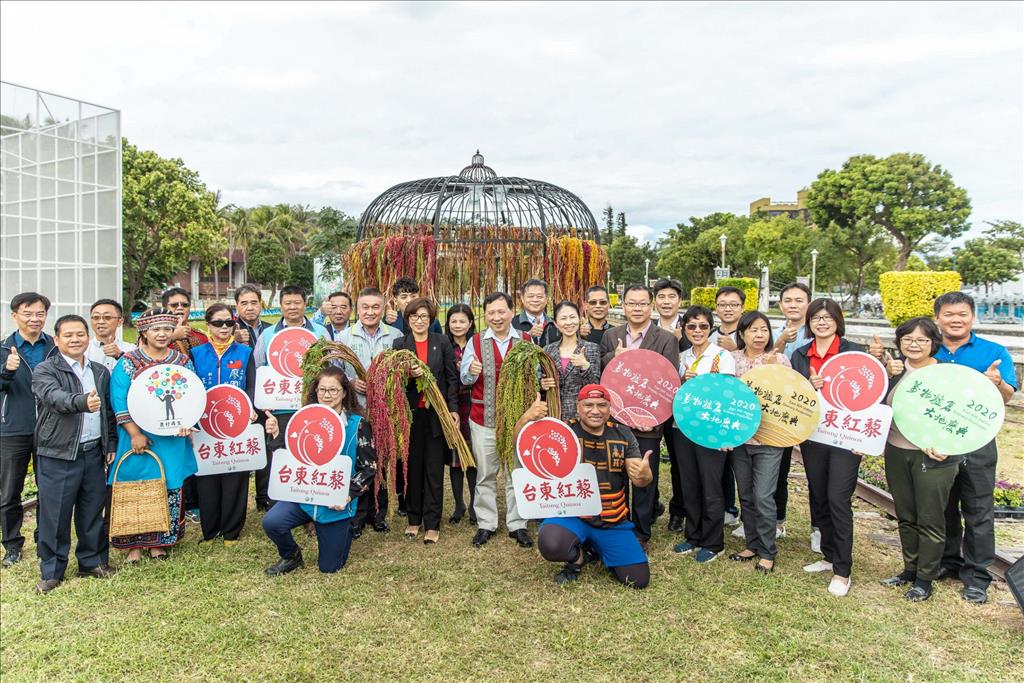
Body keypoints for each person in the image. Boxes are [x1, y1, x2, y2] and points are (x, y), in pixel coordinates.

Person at [521, 385, 653, 588]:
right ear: (578, 406)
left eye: (602, 405)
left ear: (610, 408)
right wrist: (526, 418)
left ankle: (596, 547)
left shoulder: (622, 434)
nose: (595, 410)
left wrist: (645, 475)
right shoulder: (564, 431)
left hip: (612, 520)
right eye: (588, 405)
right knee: (551, 543)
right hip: (573, 515)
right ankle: (577, 558)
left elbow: (639, 479)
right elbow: (520, 446)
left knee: (637, 580)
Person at [932, 292, 1017, 605]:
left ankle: (977, 576)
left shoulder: (992, 352)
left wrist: (997, 383)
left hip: (978, 442)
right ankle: (947, 562)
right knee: (943, 507)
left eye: (963, 314)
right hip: (937, 441)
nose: (957, 320)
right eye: (950, 314)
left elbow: (1008, 396)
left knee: (978, 509)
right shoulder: (930, 348)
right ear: (938, 318)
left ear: (973, 317)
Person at [871, 317, 957, 602]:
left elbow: (959, 419)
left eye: (922, 339)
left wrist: (945, 444)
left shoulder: (946, 375)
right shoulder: (893, 371)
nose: (914, 344)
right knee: (906, 515)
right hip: (896, 450)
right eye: (908, 339)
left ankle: (925, 578)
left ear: (934, 343)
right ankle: (910, 569)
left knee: (930, 518)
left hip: (932, 457)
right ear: (899, 343)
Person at [30, 314, 118, 593]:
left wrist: (110, 445)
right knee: (55, 515)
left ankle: (91, 561)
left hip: (93, 452)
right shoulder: (46, 370)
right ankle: (52, 570)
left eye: (80, 334)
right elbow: (53, 397)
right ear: (57, 340)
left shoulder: (99, 371)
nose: (75, 339)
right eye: (68, 335)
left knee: (92, 510)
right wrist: (80, 402)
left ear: (88, 337)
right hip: (58, 453)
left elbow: (108, 413)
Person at [262, 367, 377, 575]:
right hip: (303, 497)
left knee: (329, 568)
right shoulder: (302, 419)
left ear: (344, 392)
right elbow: (287, 458)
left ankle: (345, 530)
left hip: (335, 504)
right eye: (322, 389)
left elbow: (369, 468)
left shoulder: (357, 425)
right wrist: (277, 434)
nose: (327, 395)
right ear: (315, 392)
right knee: (272, 522)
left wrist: (347, 495)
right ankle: (291, 555)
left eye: (333, 390)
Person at [107, 308, 199, 561]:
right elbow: (119, 399)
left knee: (169, 484)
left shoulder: (182, 361)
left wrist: (187, 422)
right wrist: (134, 433)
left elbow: (192, 395)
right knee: (136, 485)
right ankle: (134, 546)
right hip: (136, 435)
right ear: (143, 332)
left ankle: (160, 542)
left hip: (171, 437)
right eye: (155, 329)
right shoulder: (128, 362)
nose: (162, 334)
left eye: (167, 329)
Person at [790, 298, 864, 597]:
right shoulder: (800, 354)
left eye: (827, 317)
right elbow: (793, 392)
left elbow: (870, 394)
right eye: (816, 317)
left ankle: (843, 571)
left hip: (846, 438)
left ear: (837, 320)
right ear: (809, 323)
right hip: (814, 435)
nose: (821, 322)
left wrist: (865, 440)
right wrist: (810, 387)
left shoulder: (854, 352)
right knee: (819, 495)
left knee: (838, 499)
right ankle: (829, 555)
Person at [598, 284, 680, 547]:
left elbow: (669, 383)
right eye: (632, 303)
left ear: (651, 305)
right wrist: (615, 356)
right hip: (617, 419)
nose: (637, 308)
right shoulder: (611, 335)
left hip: (648, 422)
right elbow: (600, 366)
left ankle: (642, 532)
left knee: (644, 475)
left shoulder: (665, 339)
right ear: (623, 305)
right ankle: (619, 521)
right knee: (616, 473)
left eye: (643, 303)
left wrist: (656, 418)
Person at [460, 292, 535, 548]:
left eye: (501, 312)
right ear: (485, 315)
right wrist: (470, 372)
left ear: (512, 312)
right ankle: (486, 523)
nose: (496, 317)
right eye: (491, 313)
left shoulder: (526, 340)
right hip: (483, 418)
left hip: (518, 421)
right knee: (485, 473)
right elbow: (464, 379)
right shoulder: (476, 341)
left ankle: (518, 524)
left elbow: (535, 374)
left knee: (516, 472)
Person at [253, 285, 329, 513]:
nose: (293, 307)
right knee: (279, 455)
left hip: (311, 404)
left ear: (305, 304)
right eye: (288, 303)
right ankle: (279, 505)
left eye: (297, 302)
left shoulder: (320, 332)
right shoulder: (268, 335)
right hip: (278, 407)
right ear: (281, 306)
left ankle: (309, 505)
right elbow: (259, 367)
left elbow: (329, 364)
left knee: (309, 453)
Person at [335, 287, 403, 532]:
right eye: (366, 307)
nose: (371, 312)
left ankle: (379, 514)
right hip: (356, 411)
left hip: (386, 412)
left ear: (383, 308)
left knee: (382, 461)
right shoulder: (344, 338)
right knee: (359, 461)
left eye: (376, 307)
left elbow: (402, 370)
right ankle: (357, 515)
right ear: (357, 309)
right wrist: (350, 383)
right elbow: (334, 372)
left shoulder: (395, 335)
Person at [672, 305, 736, 564]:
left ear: (710, 328)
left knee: (711, 486)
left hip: (711, 429)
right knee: (689, 484)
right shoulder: (681, 356)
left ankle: (713, 541)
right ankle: (693, 534)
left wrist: (725, 436)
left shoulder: (722, 356)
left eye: (703, 326)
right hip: (683, 427)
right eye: (692, 326)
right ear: (684, 329)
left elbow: (730, 396)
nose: (697, 331)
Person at [727, 312, 790, 574]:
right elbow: (725, 397)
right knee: (747, 495)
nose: (759, 335)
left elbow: (791, 397)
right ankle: (751, 544)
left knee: (764, 496)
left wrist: (774, 369)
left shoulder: (779, 360)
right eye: (753, 330)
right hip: (740, 439)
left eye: (764, 330)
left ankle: (767, 551)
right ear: (742, 334)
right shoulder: (732, 360)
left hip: (769, 439)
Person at [392, 298, 458, 545]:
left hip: (436, 414)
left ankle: (432, 523)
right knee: (412, 467)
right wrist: (406, 373)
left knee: (432, 468)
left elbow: (452, 378)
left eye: (423, 317)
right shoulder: (400, 344)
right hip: (410, 415)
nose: (419, 321)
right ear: (407, 320)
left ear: (430, 319)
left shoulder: (441, 342)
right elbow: (393, 381)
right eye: (413, 317)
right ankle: (414, 518)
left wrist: (452, 409)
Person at [191, 304, 257, 545]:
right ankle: (210, 530)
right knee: (207, 477)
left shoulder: (244, 352)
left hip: (236, 424)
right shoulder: (197, 354)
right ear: (207, 325)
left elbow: (251, 385)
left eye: (228, 323)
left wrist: (249, 409)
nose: (223, 328)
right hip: (204, 425)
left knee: (234, 476)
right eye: (218, 323)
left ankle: (231, 531)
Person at [1, 292, 56, 568]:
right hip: (13, 429)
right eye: (28, 313)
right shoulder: (3, 349)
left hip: (51, 428)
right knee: (10, 491)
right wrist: (6, 371)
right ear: (15, 316)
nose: (35, 318)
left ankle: (43, 540)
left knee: (49, 487)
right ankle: (11, 545)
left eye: (40, 313)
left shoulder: (55, 346)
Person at [771, 282, 815, 547]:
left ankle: (818, 529)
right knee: (779, 469)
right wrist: (779, 342)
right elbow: (766, 362)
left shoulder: (816, 331)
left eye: (799, 300)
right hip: (781, 409)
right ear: (780, 305)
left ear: (808, 303)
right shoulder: (775, 331)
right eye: (788, 300)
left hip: (809, 407)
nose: (793, 305)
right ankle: (778, 521)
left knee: (817, 473)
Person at [651, 278, 691, 529]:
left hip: (681, 405)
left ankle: (679, 510)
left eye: (671, 297)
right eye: (662, 297)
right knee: (649, 456)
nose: (666, 302)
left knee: (680, 460)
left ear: (680, 300)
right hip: (651, 404)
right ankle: (652, 504)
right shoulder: (648, 330)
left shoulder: (692, 328)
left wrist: (679, 340)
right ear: (655, 301)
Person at [709, 285, 745, 526]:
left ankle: (749, 517)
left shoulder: (750, 332)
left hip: (740, 408)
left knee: (742, 467)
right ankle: (727, 509)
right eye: (723, 304)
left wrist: (736, 350)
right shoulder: (709, 333)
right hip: (714, 409)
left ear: (742, 307)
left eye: (733, 304)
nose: (728, 309)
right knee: (719, 464)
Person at [444, 303, 477, 524]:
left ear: (471, 323)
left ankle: (475, 505)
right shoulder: (444, 345)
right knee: (456, 461)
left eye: (462, 321)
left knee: (473, 459)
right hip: (452, 408)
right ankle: (459, 505)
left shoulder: (477, 345)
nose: (458, 325)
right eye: (453, 321)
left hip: (474, 406)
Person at [541, 301, 600, 421]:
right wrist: (542, 385)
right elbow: (541, 382)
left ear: (579, 319)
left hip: (581, 417)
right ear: (556, 324)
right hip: (553, 414)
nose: (568, 322)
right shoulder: (548, 350)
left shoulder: (591, 348)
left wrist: (585, 366)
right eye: (563, 318)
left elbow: (595, 387)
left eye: (572, 317)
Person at [86, 299, 136, 373]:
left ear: (120, 321)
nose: (101, 322)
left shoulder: (131, 349)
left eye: (107, 317)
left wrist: (120, 356)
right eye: (96, 317)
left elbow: (140, 374)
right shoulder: (83, 350)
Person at [162, 287, 209, 357]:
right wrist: (173, 337)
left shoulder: (201, 336)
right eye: (174, 305)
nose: (180, 308)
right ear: (165, 308)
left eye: (185, 305)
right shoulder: (153, 334)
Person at [511, 279, 560, 347]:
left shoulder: (556, 324)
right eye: (530, 296)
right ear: (522, 298)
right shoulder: (512, 324)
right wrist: (528, 336)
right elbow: (507, 349)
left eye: (539, 296)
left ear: (546, 299)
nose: (535, 300)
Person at [233, 284, 270, 348]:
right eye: (244, 304)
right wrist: (232, 341)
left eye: (254, 303)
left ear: (260, 305)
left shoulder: (271, 329)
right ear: (236, 307)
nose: (250, 308)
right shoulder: (229, 330)